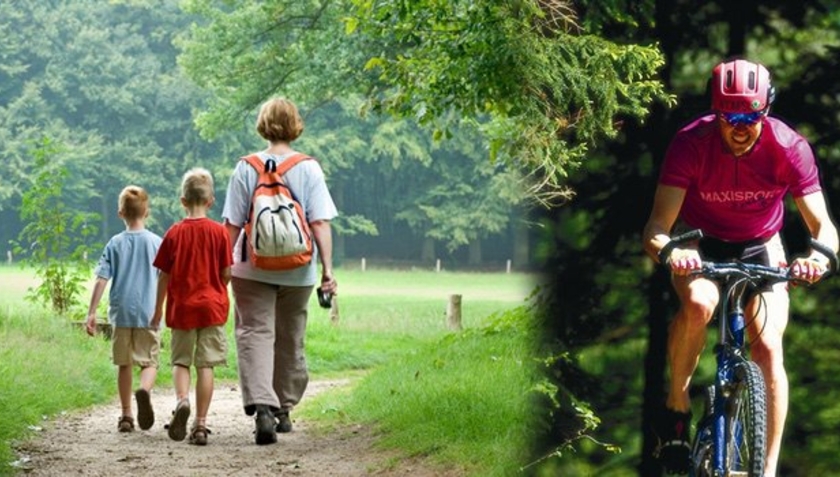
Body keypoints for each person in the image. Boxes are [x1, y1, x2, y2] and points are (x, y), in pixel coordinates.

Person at [642, 58, 839, 475]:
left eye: (751, 115)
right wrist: (671, 252)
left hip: (761, 247)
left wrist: (818, 257)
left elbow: (823, 225)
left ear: (765, 109)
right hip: (700, 243)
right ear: (715, 113)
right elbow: (656, 227)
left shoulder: (789, 147)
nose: (741, 126)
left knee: (768, 348)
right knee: (697, 303)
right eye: (730, 116)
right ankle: (677, 406)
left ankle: (765, 469)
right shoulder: (689, 144)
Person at [222, 97, 338, 445]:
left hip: (250, 267)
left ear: (262, 125)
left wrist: (222, 264)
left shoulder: (245, 167)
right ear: (295, 125)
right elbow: (319, 223)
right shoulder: (309, 168)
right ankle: (283, 408)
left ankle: (263, 408)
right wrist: (328, 271)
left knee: (254, 333)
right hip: (298, 269)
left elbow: (230, 224)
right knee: (290, 336)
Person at [151, 168, 233, 446]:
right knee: (206, 364)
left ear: (182, 200)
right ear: (211, 201)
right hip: (211, 308)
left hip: (182, 308)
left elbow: (163, 275)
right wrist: (220, 289)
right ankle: (200, 425)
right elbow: (226, 273)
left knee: (180, 361)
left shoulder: (173, 234)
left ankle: (182, 400)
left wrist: (157, 310)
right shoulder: (220, 233)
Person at [85, 185, 162, 433]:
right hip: (149, 313)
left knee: (124, 364)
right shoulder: (156, 243)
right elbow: (167, 277)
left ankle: (127, 415)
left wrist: (92, 312)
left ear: (120, 213)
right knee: (149, 361)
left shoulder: (114, 243)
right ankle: (144, 390)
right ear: (147, 212)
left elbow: (101, 279)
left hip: (121, 313)